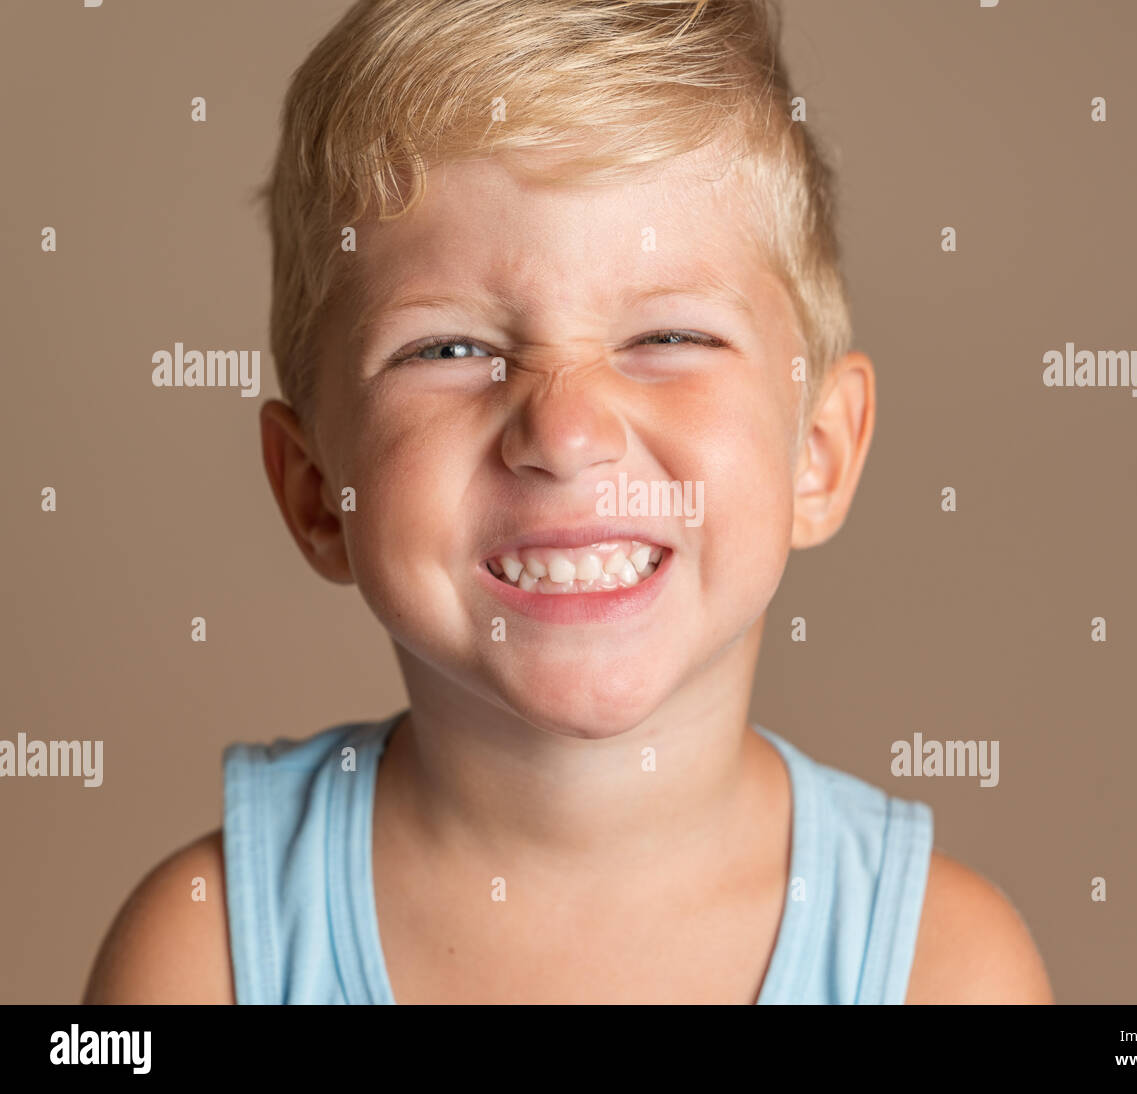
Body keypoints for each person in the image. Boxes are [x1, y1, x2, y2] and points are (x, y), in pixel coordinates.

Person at [85, 0, 1052, 1004]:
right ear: (316, 492)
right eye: (449, 349)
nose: (566, 430)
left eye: (668, 337)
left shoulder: (942, 965)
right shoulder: (209, 951)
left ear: (817, 450)